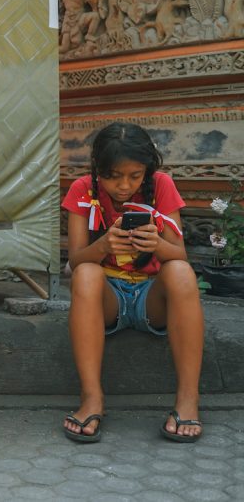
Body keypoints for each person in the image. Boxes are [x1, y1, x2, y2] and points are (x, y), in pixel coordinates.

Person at [61, 122, 204, 443]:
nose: (124, 186)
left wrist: (155, 243)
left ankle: (188, 400)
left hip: (151, 300)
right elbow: (74, 261)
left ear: (147, 171)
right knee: (85, 272)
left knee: (181, 272)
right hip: (107, 301)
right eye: (113, 176)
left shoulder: (162, 185)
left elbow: (178, 254)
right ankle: (92, 397)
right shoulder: (82, 189)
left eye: (135, 176)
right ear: (98, 169)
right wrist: (103, 247)